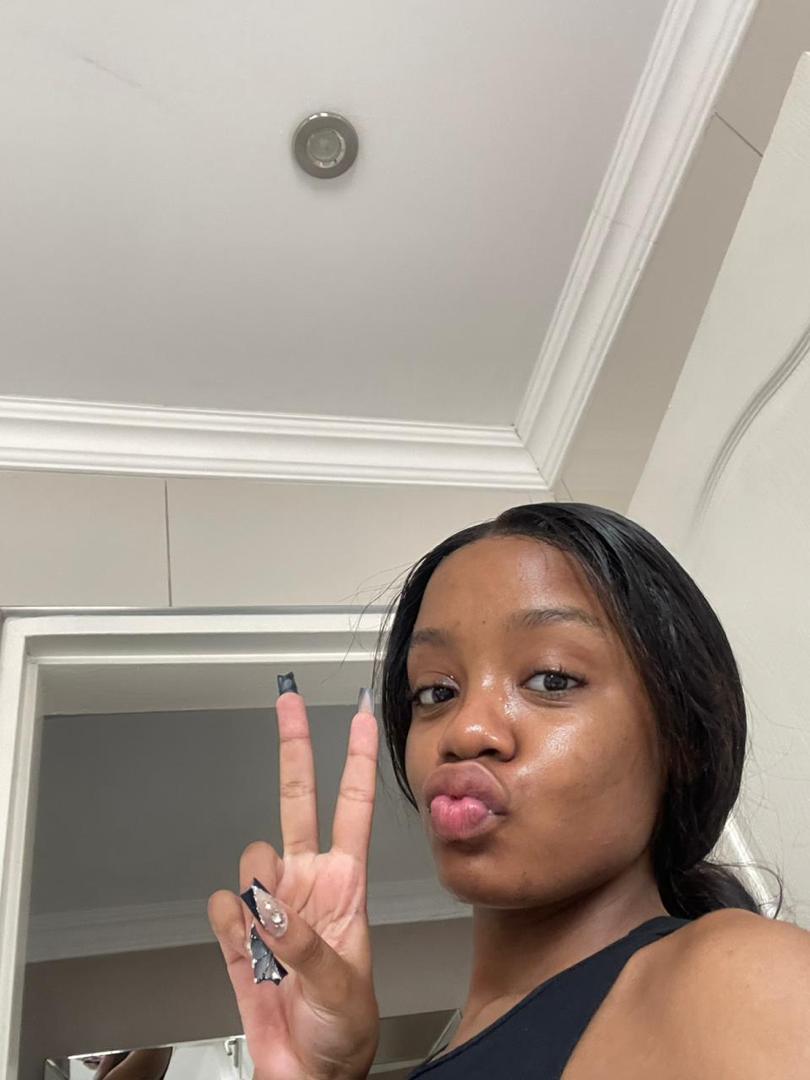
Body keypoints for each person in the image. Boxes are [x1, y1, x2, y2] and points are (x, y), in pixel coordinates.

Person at [207, 502, 810, 1078]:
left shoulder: (738, 979)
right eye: (436, 692)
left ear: (684, 743)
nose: (464, 730)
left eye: (552, 679)